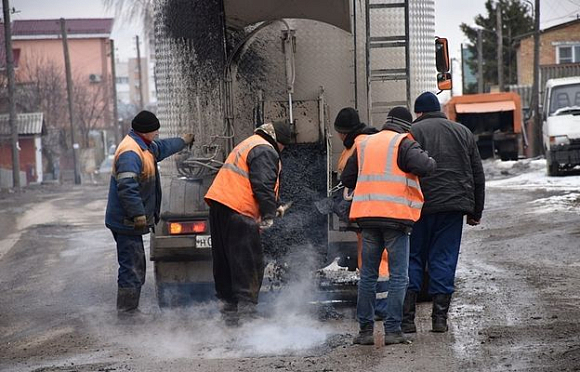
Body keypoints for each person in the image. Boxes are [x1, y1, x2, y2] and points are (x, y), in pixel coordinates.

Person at [341, 107, 436, 345]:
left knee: (368, 277)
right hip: (395, 219)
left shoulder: (364, 144)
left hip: (367, 218)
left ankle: (365, 332)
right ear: (406, 126)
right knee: (398, 277)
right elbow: (427, 166)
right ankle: (392, 330)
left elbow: (347, 179)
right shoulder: (402, 143)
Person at [402, 91, 485, 334]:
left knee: (413, 257)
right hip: (452, 207)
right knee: (444, 257)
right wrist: (475, 211)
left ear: (419, 112)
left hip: (418, 207)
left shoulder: (410, 134)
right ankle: (439, 319)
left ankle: (408, 321)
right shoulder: (463, 132)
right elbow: (477, 174)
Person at [105, 110, 195, 317]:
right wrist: (138, 215)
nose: (157, 133)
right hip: (125, 221)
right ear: (145, 131)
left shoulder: (144, 145)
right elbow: (127, 187)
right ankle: (127, 312)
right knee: (132, 267)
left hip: (128, 220)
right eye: (155, 130)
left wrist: (182, 141)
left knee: (135, 264)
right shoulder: (130, 152)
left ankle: (129, 310)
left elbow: (162, 147)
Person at [204, 120, 292, 326]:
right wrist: (270, 213)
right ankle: (247, 315)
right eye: (284, 147)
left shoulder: (250, 143)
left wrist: (272, 205)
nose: (282, 151)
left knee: (225, 261)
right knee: (247, 261)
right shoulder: (266, 150)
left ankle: (229, 313)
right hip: (239, 211)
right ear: (279, 141)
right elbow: (262, 184)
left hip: (220, 206)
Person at [333, 107, 390, 319]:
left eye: (339, 131)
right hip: (365, 210)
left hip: (367, 210)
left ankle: (380, 308)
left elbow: (350, 178)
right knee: (368, 259)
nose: (338, 136)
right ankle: (373, 306)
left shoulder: (360, 145)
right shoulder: (360, 142)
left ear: (345, 132)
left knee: (376, 260)